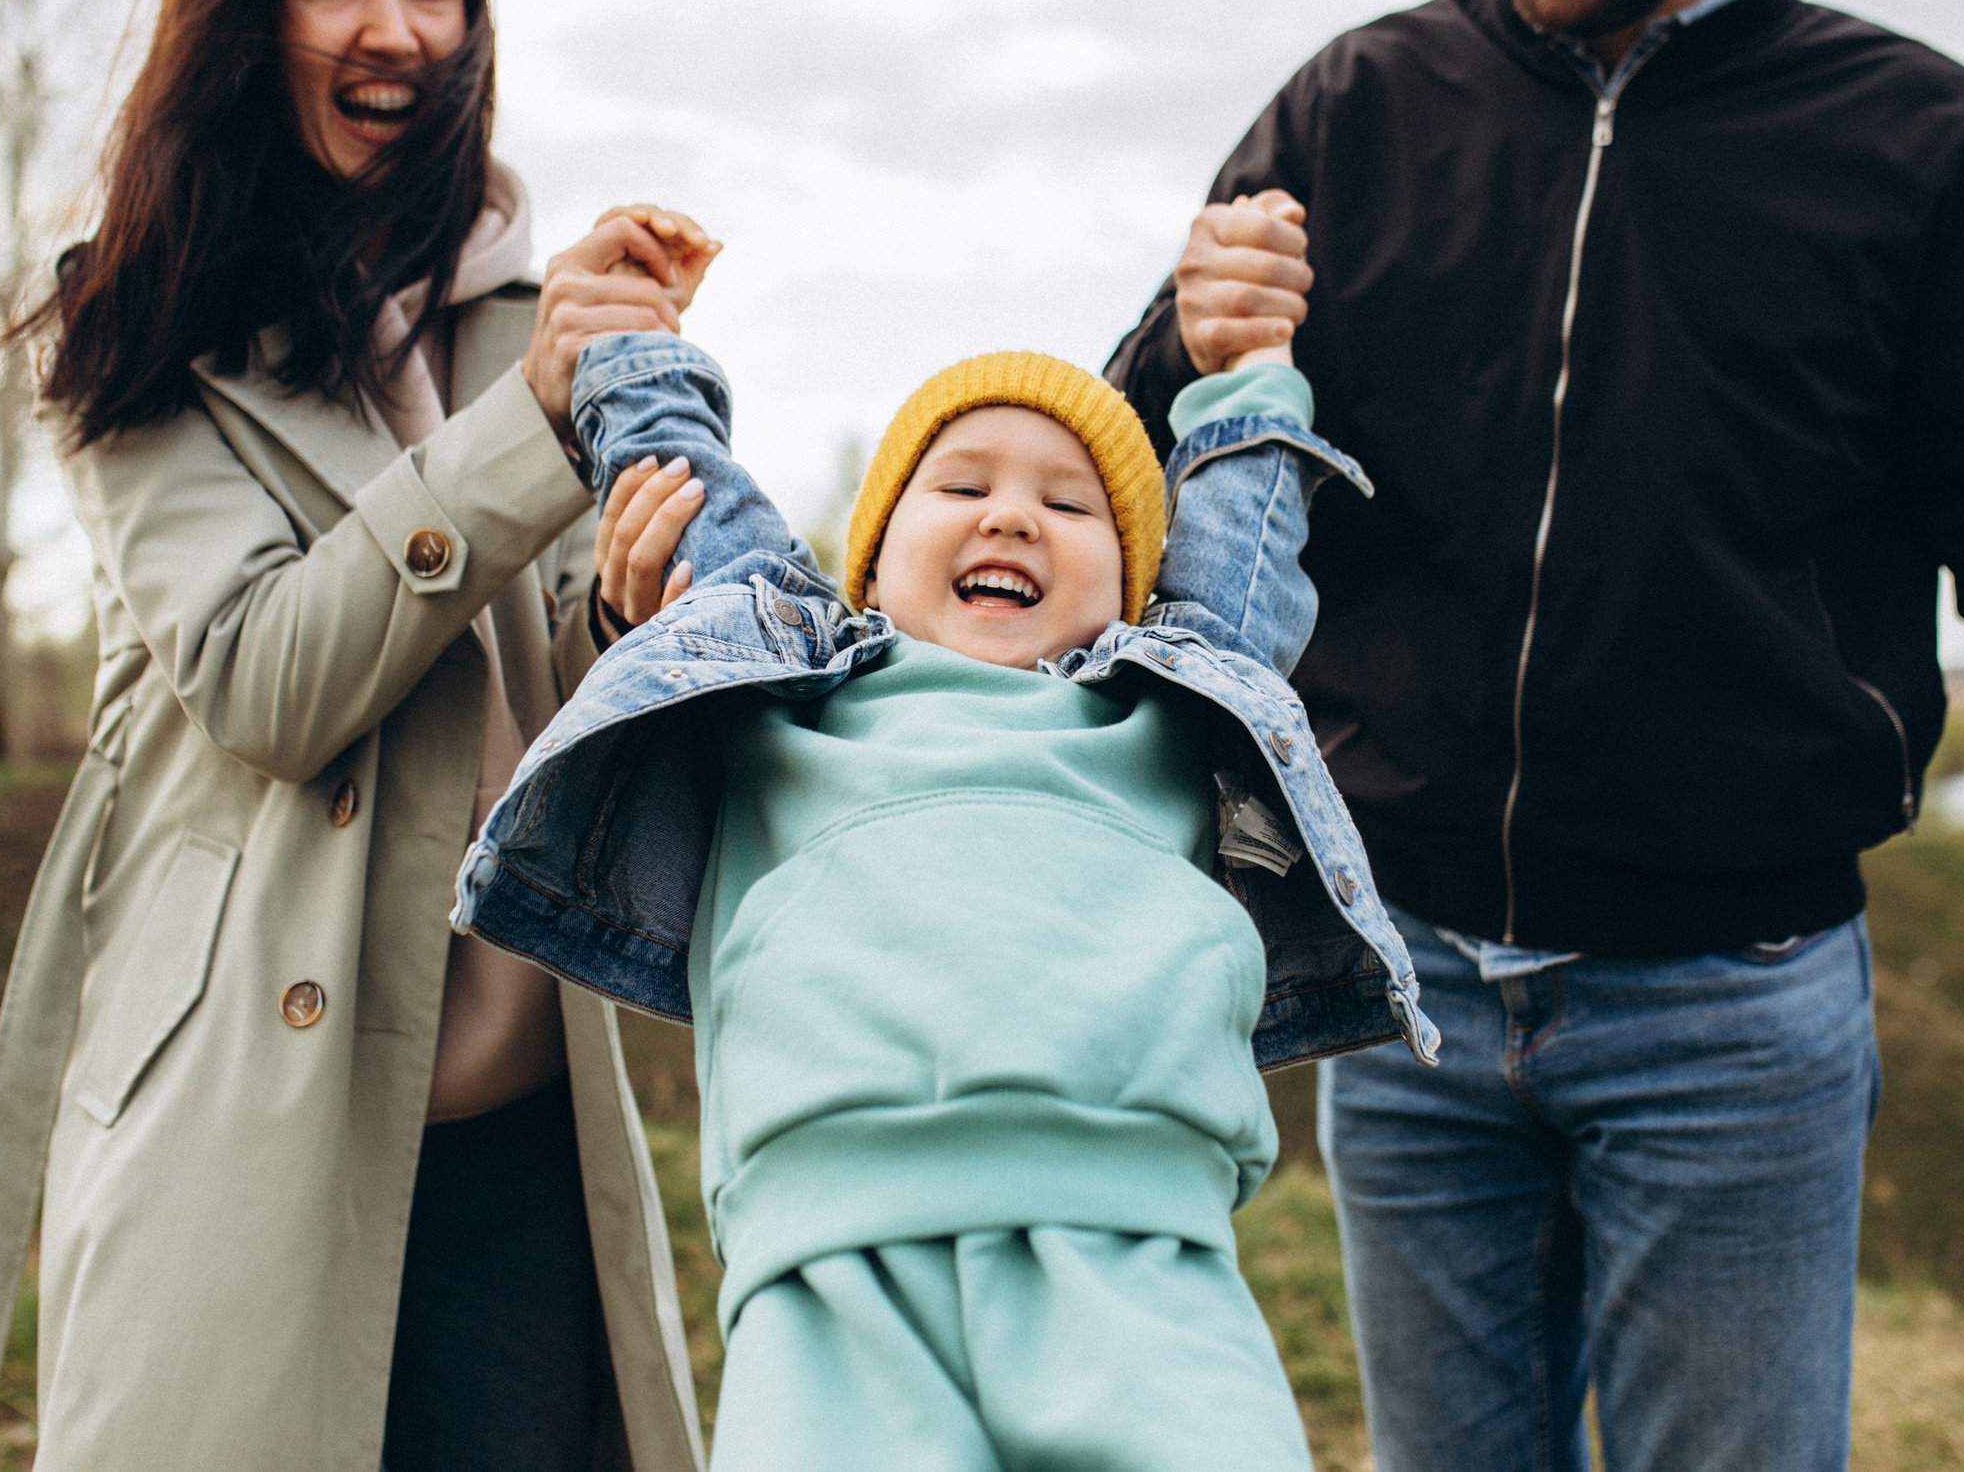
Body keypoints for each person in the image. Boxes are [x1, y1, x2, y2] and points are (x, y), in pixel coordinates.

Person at [1104, 0, 1964, 1468]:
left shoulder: (1926, 149)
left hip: (1732, 1010)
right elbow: (1123, 491)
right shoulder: (1357, 107)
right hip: (1408, 989)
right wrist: (1176, 351)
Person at [0, 0, 716, 1472]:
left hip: (524, 1130)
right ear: (245, 17)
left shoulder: (529, 322)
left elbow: (574, 708)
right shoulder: (140, 321)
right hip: (243, 1133)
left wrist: (648, 595)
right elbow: (270, 683)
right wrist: (528, 435)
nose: (392, 30)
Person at [450, 313, 1439, 1470]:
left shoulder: (1169, 701)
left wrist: (1250, 383)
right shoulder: (790, 685)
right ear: (866, 567)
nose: (1011, 514)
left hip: (1139, 1254)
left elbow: (1247, 539)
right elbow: (694, 485)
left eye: (1071, 507)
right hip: (828, 1270)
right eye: (959, 484)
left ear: (1134, 593)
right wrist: (631, 354)